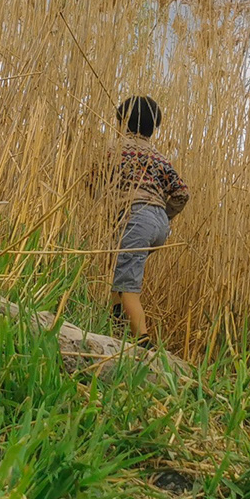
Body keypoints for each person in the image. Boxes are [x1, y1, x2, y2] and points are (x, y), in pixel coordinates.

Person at [104, 95, 188, 348]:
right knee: (121, 268)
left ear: (122, 120)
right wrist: (163, 215)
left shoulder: (115, 148)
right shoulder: (158, 156)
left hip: (135, 218)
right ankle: (114, 321)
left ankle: (143, 342)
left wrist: (106, 205)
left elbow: (95, 179)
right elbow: (182, 193)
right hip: (159, 223)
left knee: (128, 284)